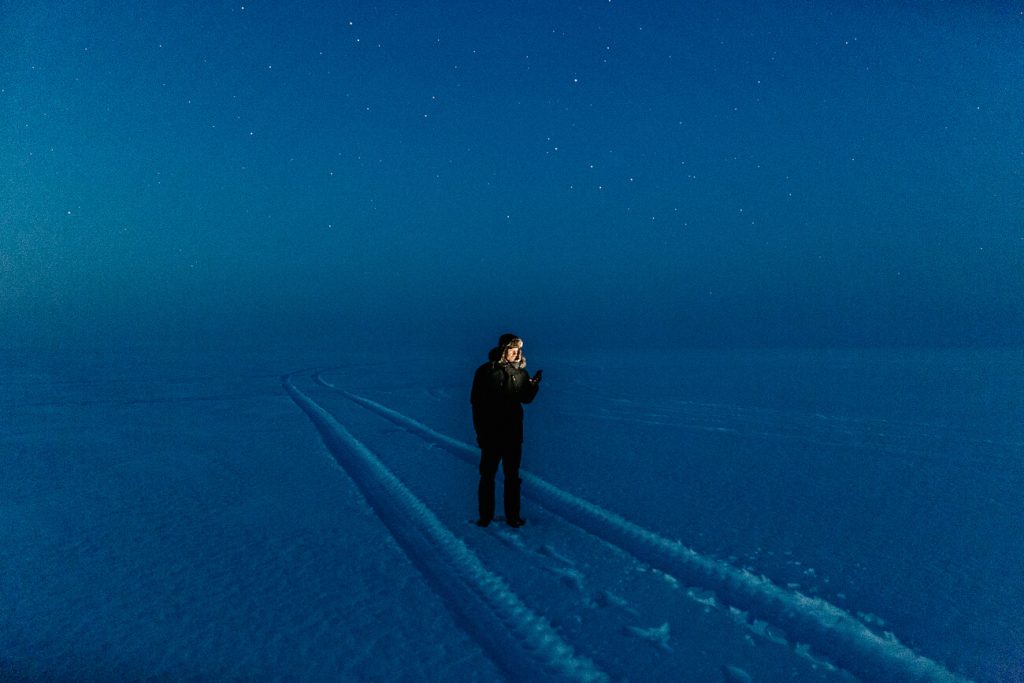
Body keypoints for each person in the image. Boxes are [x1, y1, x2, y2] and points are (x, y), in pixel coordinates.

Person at [470, 334, 543, 528]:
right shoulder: (486, 372)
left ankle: (513, 517)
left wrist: (533, 385)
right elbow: (477, 404)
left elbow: (526, 399)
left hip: (513, 434)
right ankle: (485, 517)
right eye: (512, 350)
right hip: (491, 434)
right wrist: (481, 433)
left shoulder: (520, 373)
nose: (516, 354)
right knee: (487, 476)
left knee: (512, 477)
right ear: (503, 350)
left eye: (518, 351)